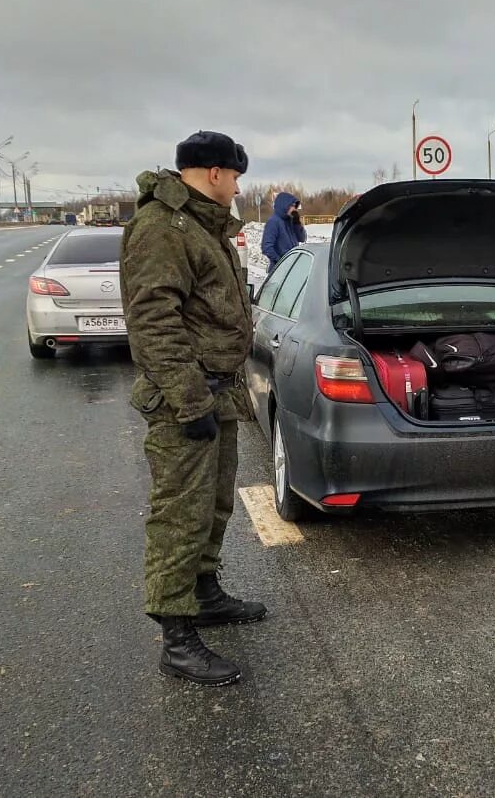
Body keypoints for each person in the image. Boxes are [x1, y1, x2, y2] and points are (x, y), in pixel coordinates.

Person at [120, 130, 268, 686]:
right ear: (213, 173)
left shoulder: (202, 226)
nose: (235, 186)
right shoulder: (163, 228)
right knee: (180, 515)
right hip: (186, 396)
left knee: (213, 505)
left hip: (216, 389)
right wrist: (188, 400)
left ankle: (204, 593)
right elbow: (153, 323)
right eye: (234, 176)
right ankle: (177, 639)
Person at [260, 192, 304, 269]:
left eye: (295, 206)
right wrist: (280, 261)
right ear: (284, 205)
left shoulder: (291, 221)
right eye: (292, 206)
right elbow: (266, 247)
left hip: (293, 266)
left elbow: (302, 238)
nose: (294, 209)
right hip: (279, 270)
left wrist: (297, 224)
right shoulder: (273, 222)